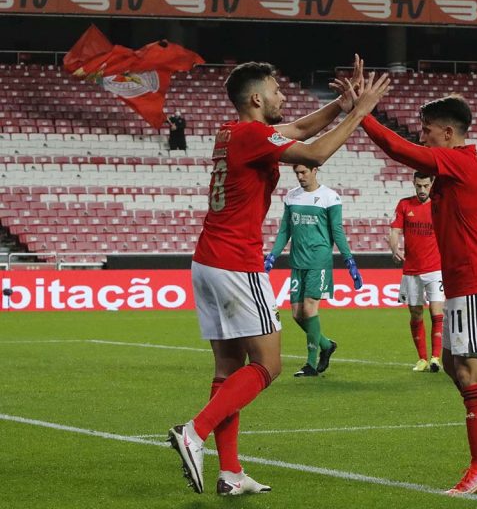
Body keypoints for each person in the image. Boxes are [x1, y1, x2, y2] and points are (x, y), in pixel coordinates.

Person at [166, 57, 389, 496]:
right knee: (268, 365)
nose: (283, 96)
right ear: (256, 98)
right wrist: (361, 113)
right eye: (275, 90)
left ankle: (230, 473)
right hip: (235, 262)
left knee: (228, 368)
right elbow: (316, 151)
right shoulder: (251, 135)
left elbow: (301, 130)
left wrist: (341, 106)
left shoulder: (233, 133)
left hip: (208, 260)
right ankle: (194, 432)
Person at [360, 95, 477, 495]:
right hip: (464, 281)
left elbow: (399, 150)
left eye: (428, 130)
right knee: (452, 363)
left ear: (448, 133)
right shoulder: (463, 161)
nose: (423, 136)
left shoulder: (459, 160)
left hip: (473, 281)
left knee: (469, 370)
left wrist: (361, 114)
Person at [264, 164, 362, 377]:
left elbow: (336, 230)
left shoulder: (330, 197)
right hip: (297, 261)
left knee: (309, 309)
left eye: (303, 172)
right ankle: (326, 345)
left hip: (319, 260)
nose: (300, 177)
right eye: (296, 173)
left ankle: (310, 364)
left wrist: (349, 261)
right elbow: (285, 230)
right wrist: (272, 256)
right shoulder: (291, 197)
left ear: (315, 169)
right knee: (297, 315)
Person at [388, 172, 444, 373]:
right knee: (416, 312)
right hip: (411, 269)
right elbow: (394, 231)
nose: (422, 190)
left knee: (436, 312)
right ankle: (422, 358)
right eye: (418, 186)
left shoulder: (439, 205)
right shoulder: (405, 205)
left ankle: (436, 357)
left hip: (435, 268)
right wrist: (395, 248)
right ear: (414, 184)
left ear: (432, 184)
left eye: (425, 185)